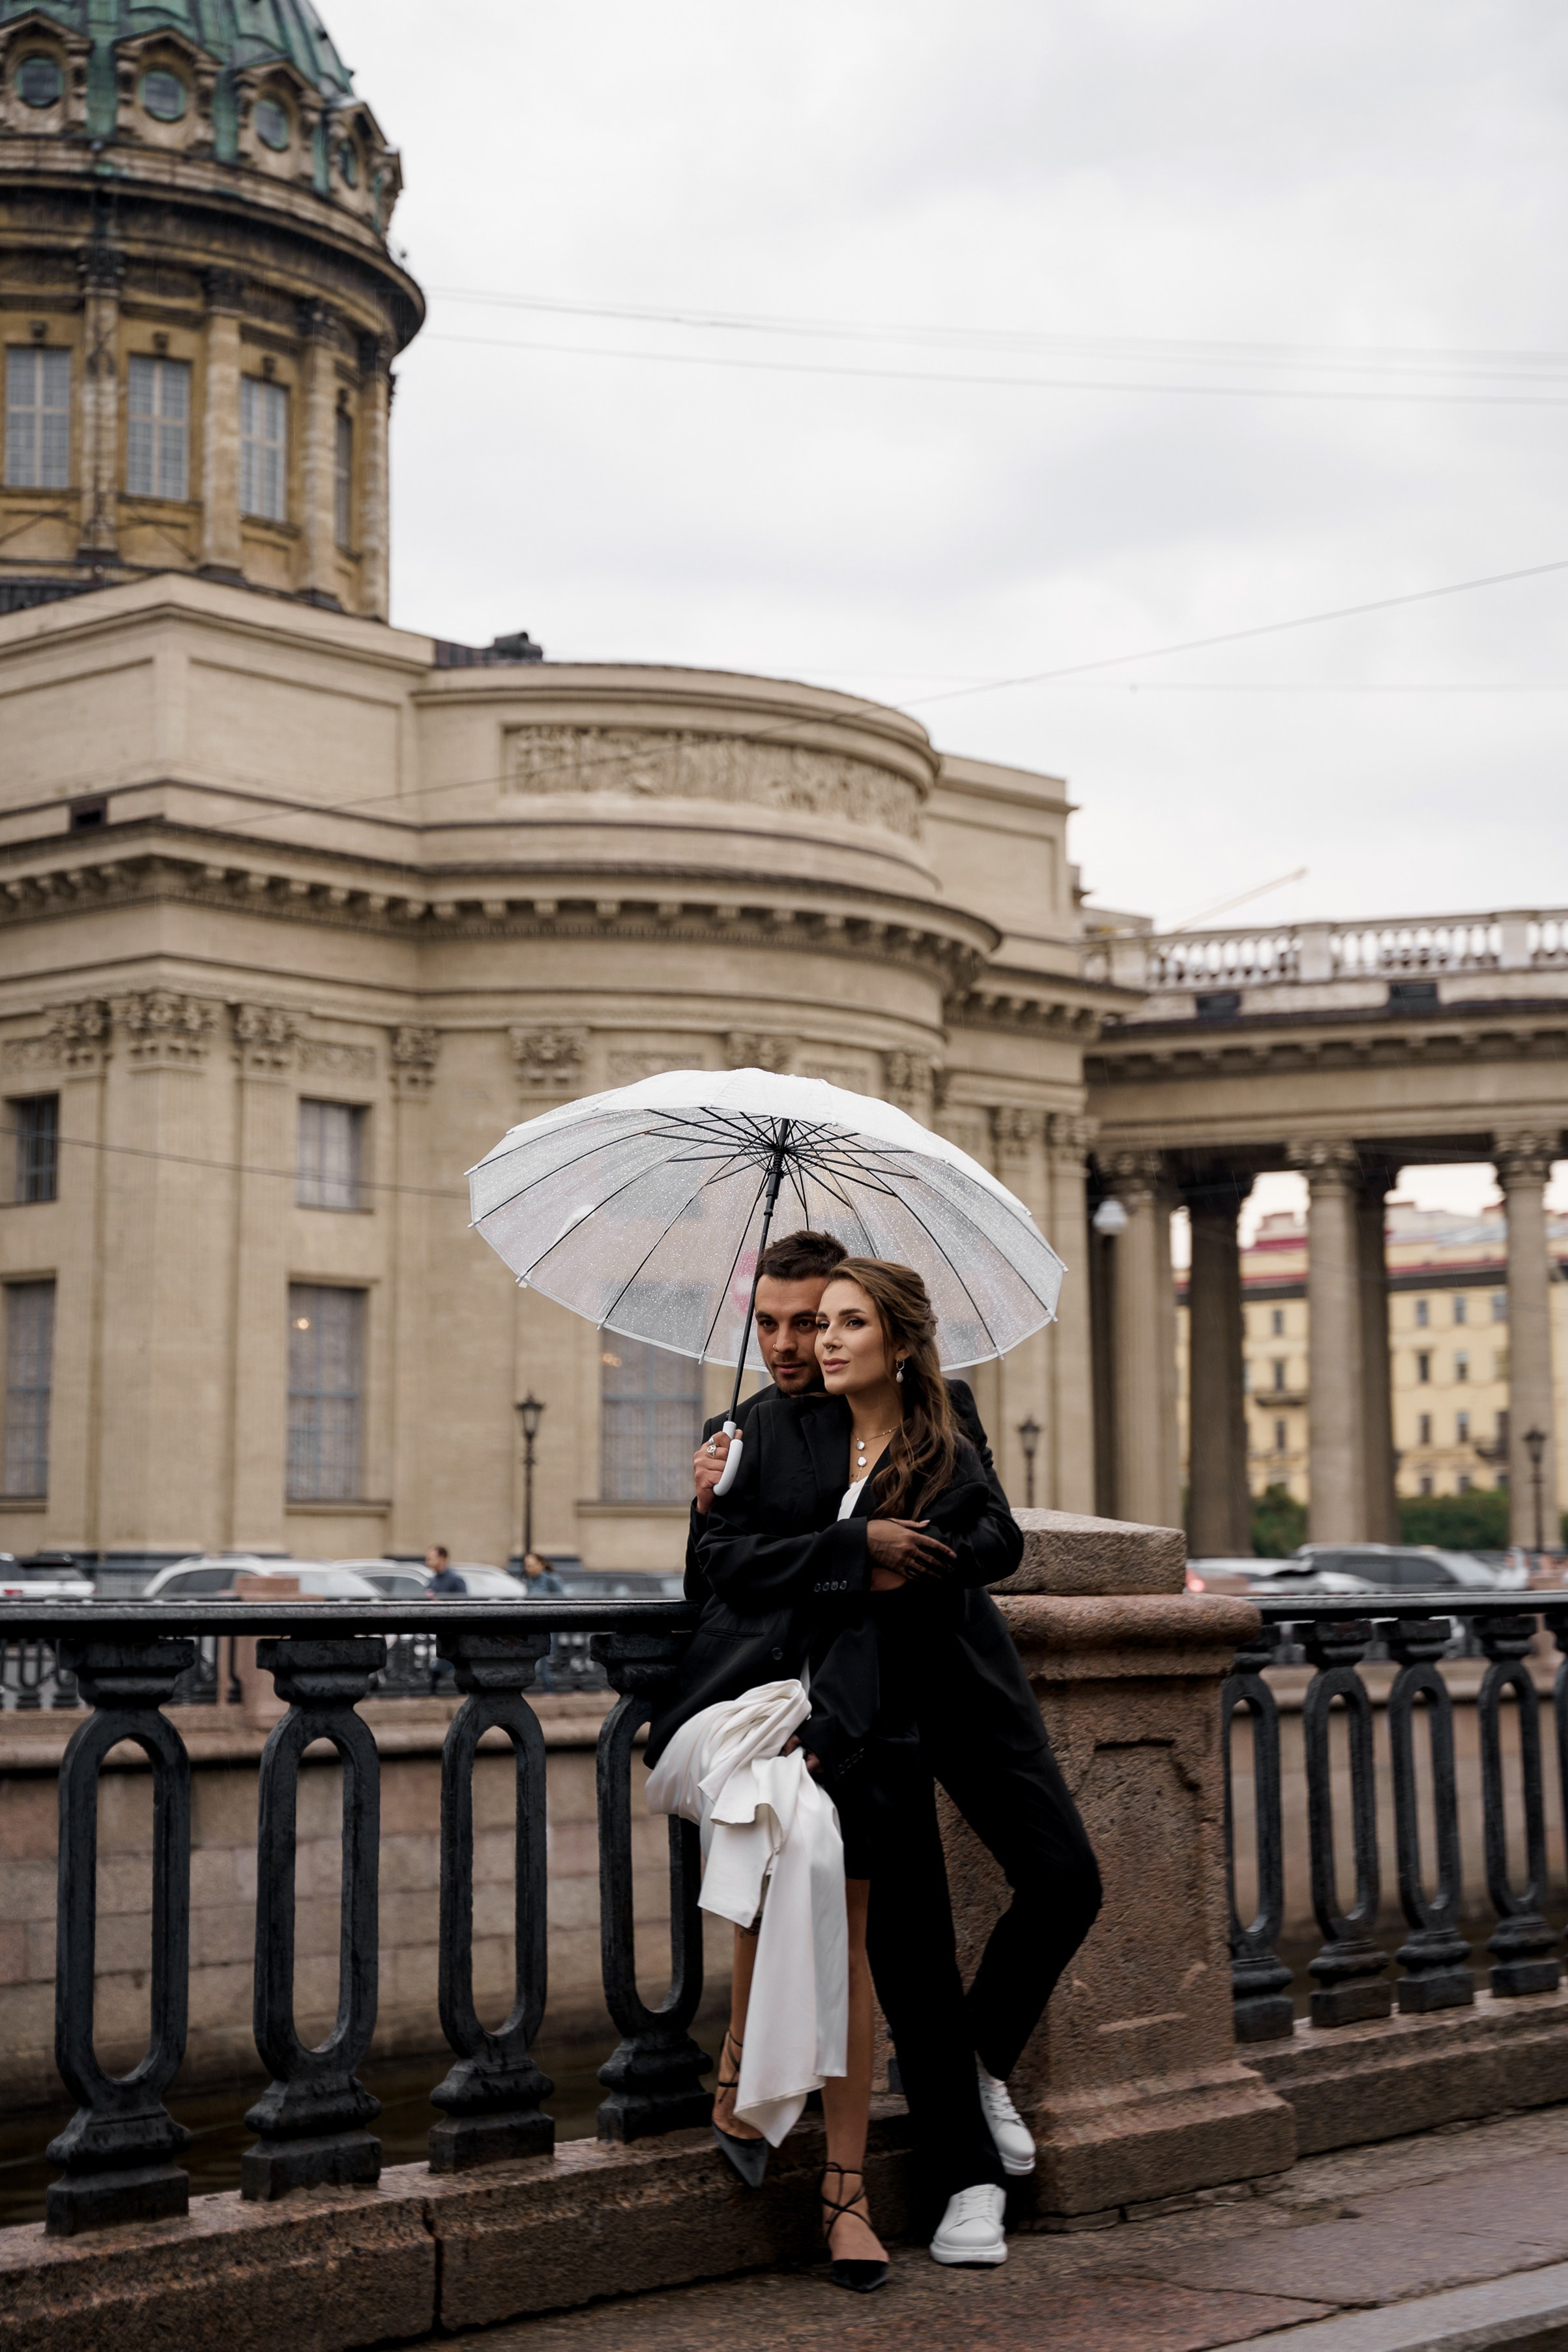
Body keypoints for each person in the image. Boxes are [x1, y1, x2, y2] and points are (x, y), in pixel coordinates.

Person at [652, 1257, 1101, 2274]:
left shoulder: (942, 1413)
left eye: (821, 1321)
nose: (800, 1344)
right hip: (862, 1718)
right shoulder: (752, 1428)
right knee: (911, 1959)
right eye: (780, 1325)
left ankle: (977, 2063)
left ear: (885, 1335)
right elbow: (716, 1580)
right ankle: (967, 2179)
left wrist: (916, 1556)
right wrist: (822, 1539)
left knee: (1066, 1879)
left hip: (966, 1689)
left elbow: (993, 1537)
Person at [521, 1548, 565, 1690]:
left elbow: (563, 1600)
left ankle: (550, 1692)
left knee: (546, 1661)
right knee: (537, 1661)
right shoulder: (530, 1581)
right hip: (534, 1626)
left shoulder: (552, 1579)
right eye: (526, 1565)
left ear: (541, 1564)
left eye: (531, 1565)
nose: (528, 1568)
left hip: (549, 1626)